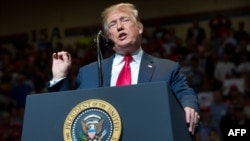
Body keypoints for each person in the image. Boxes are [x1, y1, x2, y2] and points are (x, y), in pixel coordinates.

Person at [47, 3, 200, 135]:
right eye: (112, 24)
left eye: (124, 20)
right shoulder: (89, 73)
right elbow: (70, 112)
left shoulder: (167, 68)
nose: (119, 26)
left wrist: (189, 106)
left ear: (139, 28)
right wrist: (60, 77)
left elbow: (185, 94)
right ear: (108, 36)